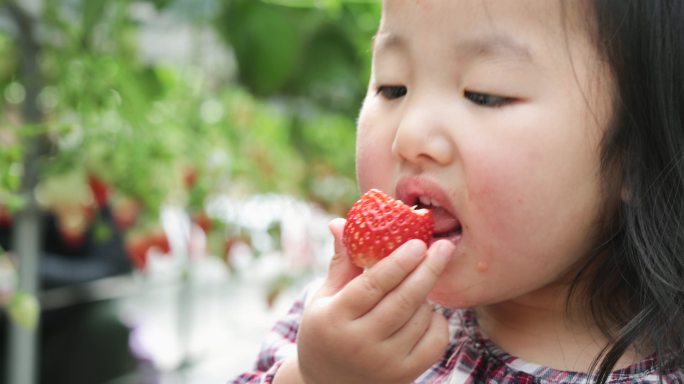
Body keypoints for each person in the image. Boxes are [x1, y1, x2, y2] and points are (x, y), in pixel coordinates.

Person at [231, 0, 684, 383]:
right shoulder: (345, 323)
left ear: (636, 152)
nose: (409, 136)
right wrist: (315, 375)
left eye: (484, 94)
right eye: (392, 87)